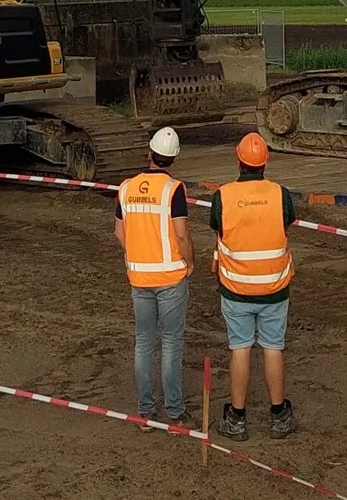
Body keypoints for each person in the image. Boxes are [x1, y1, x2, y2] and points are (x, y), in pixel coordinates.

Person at [210, 131, 296, 441]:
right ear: (265, 163)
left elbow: (218, 229)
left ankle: (237, 418)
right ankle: (279, 416)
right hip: (274, 287)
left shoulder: (223, 196)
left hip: (236, 288)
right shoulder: (280, 194)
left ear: (239, 160)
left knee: (240, 348)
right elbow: (287, 224)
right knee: (273, 347)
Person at [114, 126, 192, 424]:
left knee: (144, 342)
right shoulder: (173, 190)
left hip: (139, 278)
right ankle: (174, 411)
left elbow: (119, 232)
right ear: (173, 159)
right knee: (171, 342)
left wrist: (136, 254)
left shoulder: (126, 188)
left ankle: (146, 409)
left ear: (150, 153)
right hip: (171, 277)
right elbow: (182, 235)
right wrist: (190, 263)